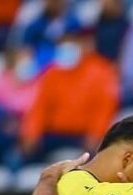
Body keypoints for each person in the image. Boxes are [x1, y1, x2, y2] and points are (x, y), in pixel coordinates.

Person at [19, 29, 120, 164]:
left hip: (83, 136)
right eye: (63, 43)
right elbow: (38, 107)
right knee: (18, 155)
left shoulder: (102, 72)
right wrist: (30, 134)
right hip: (53, 134)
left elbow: (105, 109)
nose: (67, 47)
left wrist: (96, 135)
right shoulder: (53, 73)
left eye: (72, 42)